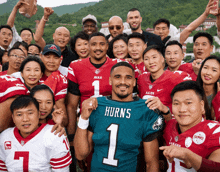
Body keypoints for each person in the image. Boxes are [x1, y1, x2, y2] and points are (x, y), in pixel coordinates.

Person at [74, 61, 164, 172]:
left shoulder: (145, 110)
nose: (123, 82)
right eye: (117, 77)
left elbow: (151, 163)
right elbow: (80, 154)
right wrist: (83, 118)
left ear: (134, 82)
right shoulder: (97, 105)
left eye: (128, 77)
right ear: (110, 80)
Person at [67, 32, 120, 171]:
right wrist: (72, 135)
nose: (98, 48)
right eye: (94, 44)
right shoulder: (76, 66)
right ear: (88, 46)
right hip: (86, 122)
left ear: (107, 46)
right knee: (86, 161)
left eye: (102, 44)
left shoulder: (118, 65)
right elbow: (72, 105)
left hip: (111, 121)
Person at [0, 95, 72, 171]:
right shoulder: (4, 137)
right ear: (13, 118)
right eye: (19, 114)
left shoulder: (54, 134)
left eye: (30, 113)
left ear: (38, 114)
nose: (25, 119)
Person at [162, 80, 220, 172]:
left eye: (188, 103)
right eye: (176, 103)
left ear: (202, 106)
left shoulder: (214, 131)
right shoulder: (170, 125)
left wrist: (189, 156)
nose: (182, 109)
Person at [138, 45, 192, 121]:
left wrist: (164, 108)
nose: (151, 62)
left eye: (154, 57)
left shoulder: (176, 78)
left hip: (169, 123)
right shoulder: (141, 78)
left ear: (163, 59)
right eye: (146, 59)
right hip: (146, 124)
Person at [39, 44, 68, 126]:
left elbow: (64, 119)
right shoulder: (33, 75)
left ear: (61, 59)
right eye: (48, 57)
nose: (51, 61)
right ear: (41, 57)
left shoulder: (60, 79)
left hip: (51, 126)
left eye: (55, 58)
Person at [196, 55, 220, 120]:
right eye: (205, 68)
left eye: (214, 70)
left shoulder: (218, 94)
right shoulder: (192, 92)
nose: (208, 73)